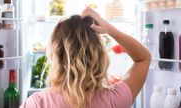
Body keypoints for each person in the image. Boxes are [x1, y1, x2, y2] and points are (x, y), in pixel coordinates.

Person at [20, 7, 151, 108]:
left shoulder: (37, 103)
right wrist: (110, 29)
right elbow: (143, 58)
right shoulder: (115, 99)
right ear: (99, 54)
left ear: (55, 55)